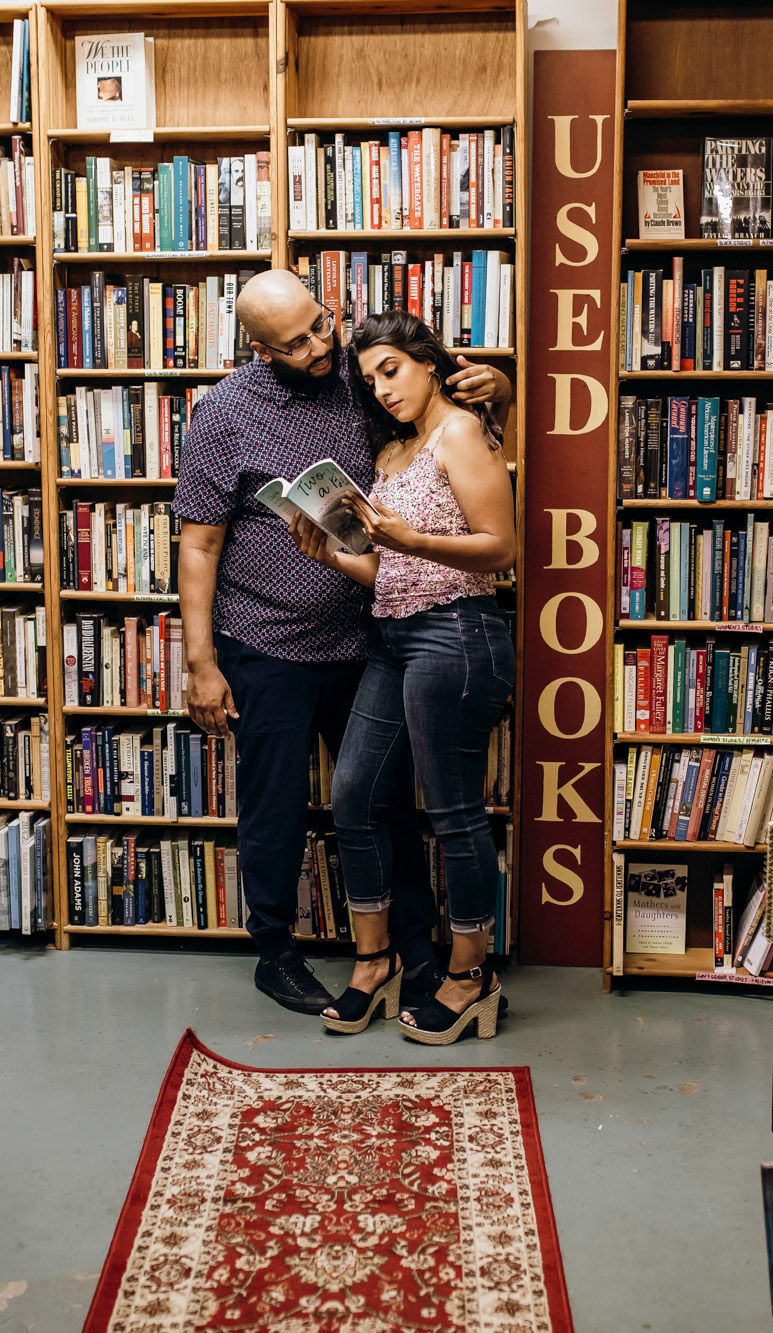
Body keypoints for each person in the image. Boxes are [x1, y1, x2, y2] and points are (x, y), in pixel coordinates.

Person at [173, 271, 513, 1016]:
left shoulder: (361, 378)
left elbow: (449, 415)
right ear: (262, 350)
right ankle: (277, 951)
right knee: (277, 806)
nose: (321, 346)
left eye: (323, 326)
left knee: (384, 802)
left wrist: (505, 387)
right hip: (266, 641)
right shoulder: (224, 413)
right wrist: (202, 662)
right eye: (297, 344)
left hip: (371, 634)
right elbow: (198, 542)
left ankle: (415, 953)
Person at [285, 310, 516, 1044]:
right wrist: (330, 557)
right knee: (353, 796)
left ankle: (470, 976)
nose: (382, 389)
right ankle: (374, 960)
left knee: (453, 813)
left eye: (392, 370)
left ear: (427, 363)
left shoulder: (463, 433)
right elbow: (390, 568)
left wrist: (412, 536)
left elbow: (501, 549)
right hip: (392, 634)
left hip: (458, 633)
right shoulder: (389, 455)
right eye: (371, 379)